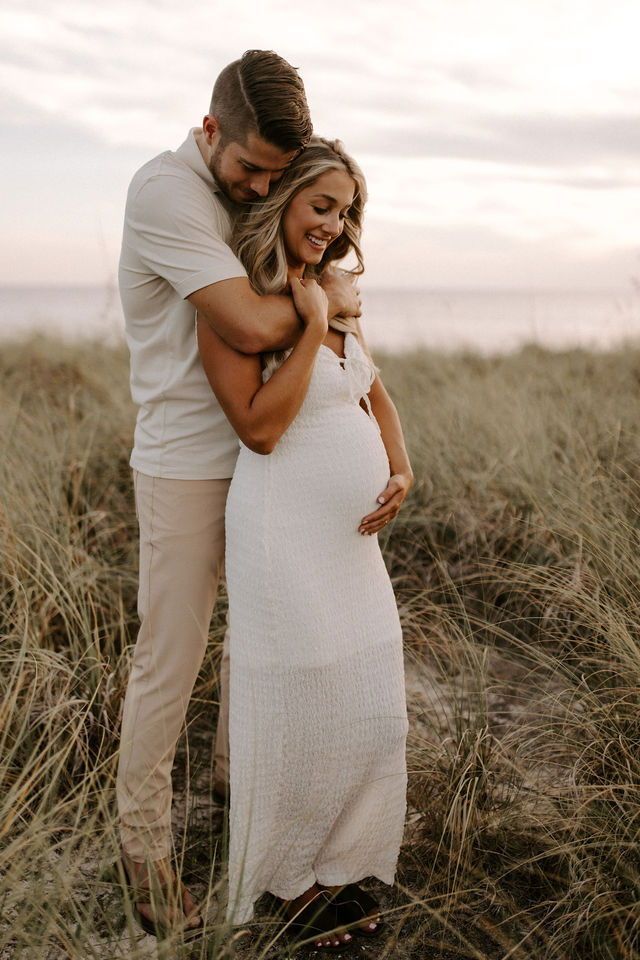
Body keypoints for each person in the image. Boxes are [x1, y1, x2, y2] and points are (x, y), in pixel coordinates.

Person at [115, 50, 362, 939]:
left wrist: (325, 287)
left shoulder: (250, 196)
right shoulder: (167, 194)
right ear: (209, 128)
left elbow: (305, 274)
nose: (263, 189)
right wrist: (326, 298)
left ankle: (237, 801)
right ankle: (144, 864)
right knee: (168, 660)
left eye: (275, 176)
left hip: (269, 458)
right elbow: (257, 321)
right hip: (186, 459)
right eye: (252, 169)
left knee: (256, 648)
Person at [196, 137, 413, 950]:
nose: (334, 222)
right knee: (297, 703)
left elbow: (372, 389)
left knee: (370, 709)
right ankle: (287, 888)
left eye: (345, 210)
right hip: (280, 528)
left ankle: (344, 868)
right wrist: (314, 317)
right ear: (282, 198)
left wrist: (401, 464)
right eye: (321, 204)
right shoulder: (236, 305)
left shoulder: (338, 295)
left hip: (350, 544)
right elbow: (260, 427)